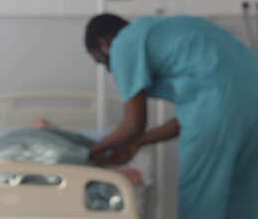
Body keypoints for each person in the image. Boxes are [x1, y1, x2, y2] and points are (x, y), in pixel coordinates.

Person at [84, 13, 258, 219]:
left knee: (201, 200)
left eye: (100, 61)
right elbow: (186, 119)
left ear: (104, 44)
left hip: (220, 111)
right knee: (242, 197)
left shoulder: (124, 43)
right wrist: (136, 143)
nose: (108, 71)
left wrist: (94, 150)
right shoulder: (167, 32)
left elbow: (133, 125)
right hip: (251, 105)